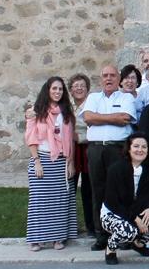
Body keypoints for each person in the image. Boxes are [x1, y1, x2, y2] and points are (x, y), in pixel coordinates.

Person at [82, 65, 136, 251]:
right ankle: (101, 235)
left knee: (120, 192)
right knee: (98, 192)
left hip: (117, 149)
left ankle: (122, 234)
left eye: (112, 75)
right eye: (105, 75)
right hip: (96, 149)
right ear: (100, 78)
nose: (108, 78)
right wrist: (112, 117)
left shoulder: (126, 97)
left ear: (119, 78)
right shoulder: (92, 97)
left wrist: (100, 117)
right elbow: (88, 118)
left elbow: (125, 119)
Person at [100, 133, 149, 264]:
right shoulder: (116, 169)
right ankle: (110, 249)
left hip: (137, 210)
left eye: (144, 147)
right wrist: (135, 219)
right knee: (129, 231)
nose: (140, 150)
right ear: (129, 148)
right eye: (136, 146)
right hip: (114, 213)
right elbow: (113, 203)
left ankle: (138, 244)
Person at [25, 76, 77, 251]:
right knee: (39, 201)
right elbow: (31, 138)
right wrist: (37, 161)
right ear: (47, 90)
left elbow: (70, 140)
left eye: (61, 89)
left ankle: (57, 238)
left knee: (59, 202)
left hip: (61, 161)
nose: (57, 92)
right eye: (54, 88)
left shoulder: (66, 113)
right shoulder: (35, 111)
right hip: (42, 159)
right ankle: (36, 239)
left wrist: (70, 163)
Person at [68, 73, 95, 236]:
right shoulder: (66, 105)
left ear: (87, 89)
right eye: (75, 86)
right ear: (71, 90)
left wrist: (81, 137)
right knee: (69, 188)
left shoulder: (92, 104)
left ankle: (91, 226)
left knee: (89, 189)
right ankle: (70, 226)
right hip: (70, 150)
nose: (79, 89)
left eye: (82, 86)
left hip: (87, 148)